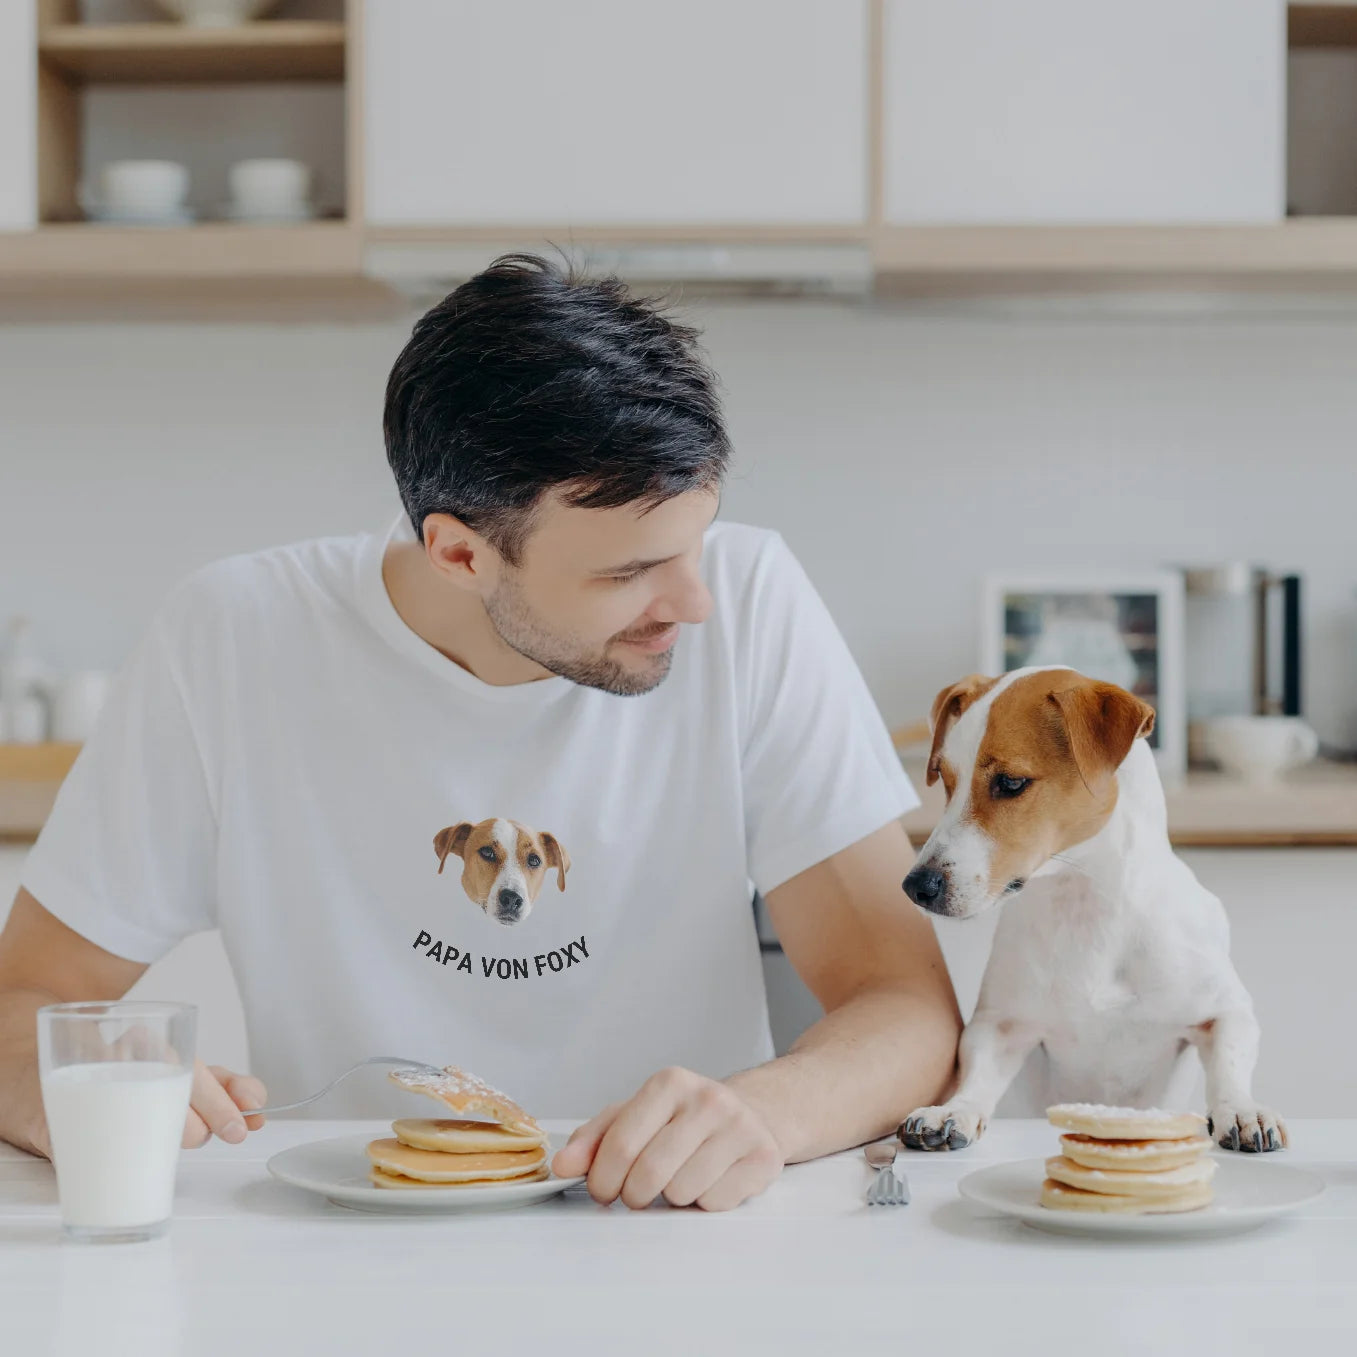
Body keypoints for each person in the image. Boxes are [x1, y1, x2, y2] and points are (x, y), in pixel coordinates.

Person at [0, 255, 960, 1211]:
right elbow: (22, 1002)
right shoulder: (229, 639)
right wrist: (65, 1086)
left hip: (669, 1230)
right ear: (459, 552)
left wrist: (768, 1110)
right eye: (629, 572)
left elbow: (905, 1005)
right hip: (348, 1235)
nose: (693, 602)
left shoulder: (754, 603)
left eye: (696, 542)